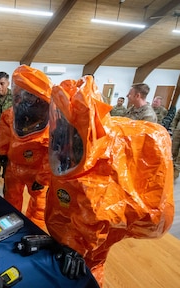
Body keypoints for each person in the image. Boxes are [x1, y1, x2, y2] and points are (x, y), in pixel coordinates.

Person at [46, 75, 173, 286]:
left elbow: (98, 213)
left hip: (96, 225)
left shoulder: (101, 155)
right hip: (74, 214)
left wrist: (76, 245)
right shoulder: (76, 133)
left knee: (92, 263)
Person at [0, 65, 52, 231]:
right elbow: (5, 135)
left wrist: (43, 178)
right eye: (23, 94)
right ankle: (11, 226)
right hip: (14, 166)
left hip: (36, 171)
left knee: (39, 206)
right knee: (11, 200)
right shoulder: (10, 114)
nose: (26, 99)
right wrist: (2, 154)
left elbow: (52, 153)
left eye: (30, 95)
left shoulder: (52, 121)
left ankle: (34, 231)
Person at [171, 109, 180, 179]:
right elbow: (176, 118)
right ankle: (170, 170)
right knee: (173, 151)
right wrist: (173, 128)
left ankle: (174, 174)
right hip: (178, 132)